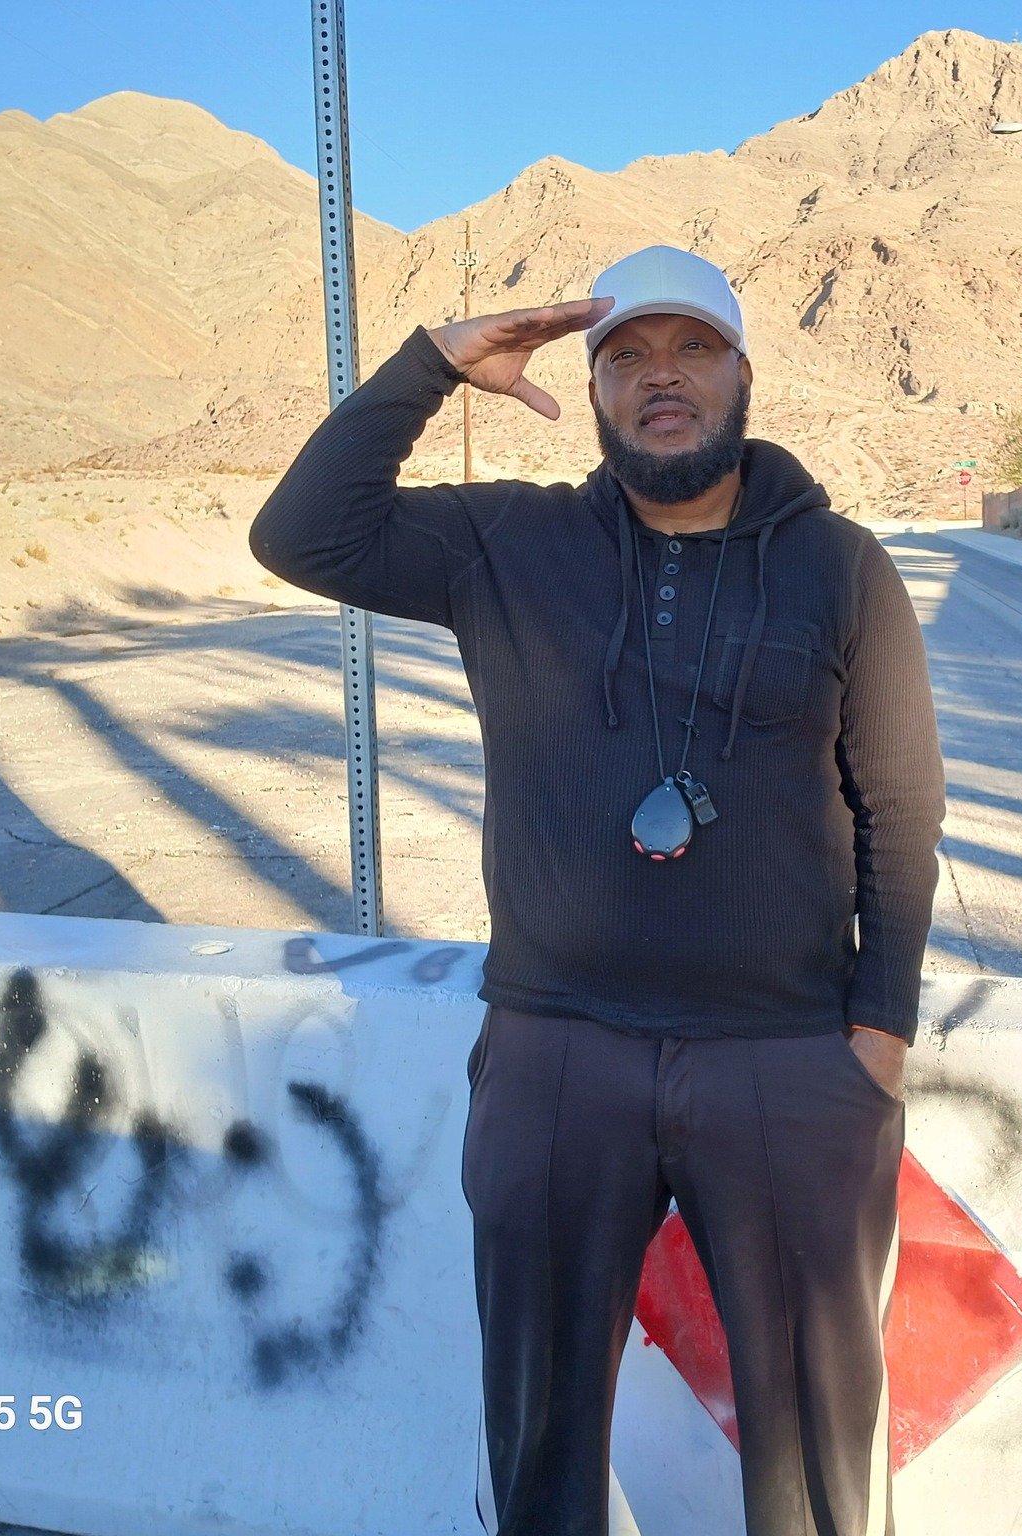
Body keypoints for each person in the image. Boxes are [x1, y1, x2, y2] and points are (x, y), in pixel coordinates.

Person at [249, 244, 945, 1536]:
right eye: (626, 355)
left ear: (744, 374)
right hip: (557, 1053)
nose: (660, 378)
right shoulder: (505, 545)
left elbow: (901, 808)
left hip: (787, 1060)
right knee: (542, 1437)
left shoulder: (843, 569)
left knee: (817, 1462)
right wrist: (432, 367)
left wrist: (876, 1042)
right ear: (592, 384)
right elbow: (301, 534)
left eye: (691, 350)